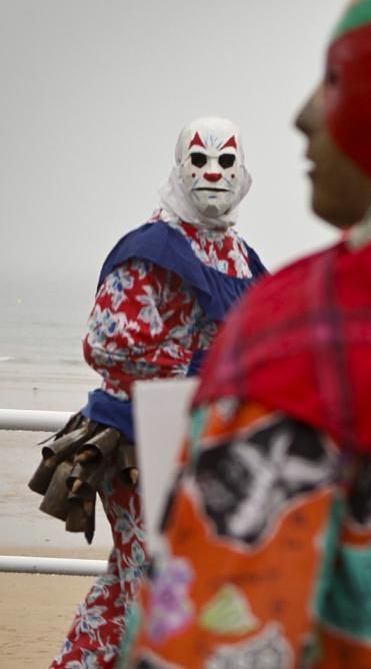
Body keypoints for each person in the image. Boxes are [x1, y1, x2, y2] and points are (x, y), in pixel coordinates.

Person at [123, 0, 371, 667]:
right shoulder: (163, 252)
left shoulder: (315, 325)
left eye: (335, 78)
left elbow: (216, 635)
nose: (301, 116)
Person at [28, 116, 267, 669]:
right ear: (180, 167)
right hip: (143, 448)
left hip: (205, 446)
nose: (213, 173)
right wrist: (205, 370)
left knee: (130, 584)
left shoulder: (237, 253)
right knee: (160, 587)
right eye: (200, 161)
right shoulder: (152, 246)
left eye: (226, 161)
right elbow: (108, 344)